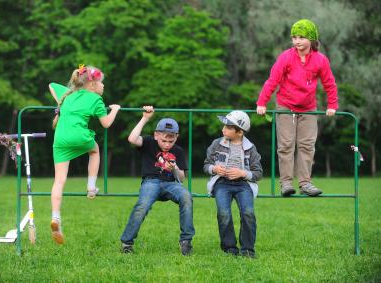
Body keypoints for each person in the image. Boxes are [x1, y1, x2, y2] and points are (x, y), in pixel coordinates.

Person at [256, 19, 338, 197]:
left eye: (301, 37)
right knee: (285, 145)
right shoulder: (286, 56)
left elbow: (329, 84)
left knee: (307, 146)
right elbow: (273, 80)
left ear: (311, 39)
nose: (297, 41)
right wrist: (262, 102)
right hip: (286, 105)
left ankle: (305, 183)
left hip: (308, 108)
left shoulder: (320, 60)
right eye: (294, 37)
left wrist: (332, 105)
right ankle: (286, 183)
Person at [49, 65, 121, 244]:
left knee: (59, 180)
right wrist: (116, 109)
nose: (103, 86)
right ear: (92, 85)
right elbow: (106, 124)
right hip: (79, 137)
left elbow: (51, 85)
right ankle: (91, 187)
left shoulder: (68, 96)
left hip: (60, 139)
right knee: (95, 150)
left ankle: (55, 217)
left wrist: (61, 101)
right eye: (101, 83)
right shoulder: (95, 99)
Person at [120, 106, 195, 255]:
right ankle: (126, 243)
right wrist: (145, 118)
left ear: (176, 138)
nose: (167, 144)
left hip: (171, 184)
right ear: (156, 135)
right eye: (164, 140)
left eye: (171, 141)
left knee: (187, 196)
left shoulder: (178, 151)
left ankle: (186, 241)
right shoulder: (148, 143)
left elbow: (182, 178)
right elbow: (132, 138)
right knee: (142, 205)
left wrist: (174, 168)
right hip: (151, 181)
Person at [204, 110, 263, 258]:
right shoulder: (216, 144)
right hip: (222, 184)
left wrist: (243, 173)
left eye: (228, 127)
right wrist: (214, 168)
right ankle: (229, 248)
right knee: (224, 213)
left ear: (239, 132)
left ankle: (248, 250)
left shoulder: (251, 148)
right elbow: (206, 165)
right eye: (224, 126)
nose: (223, 129)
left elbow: (258, 173)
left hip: (243, 185)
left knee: (248, 213)